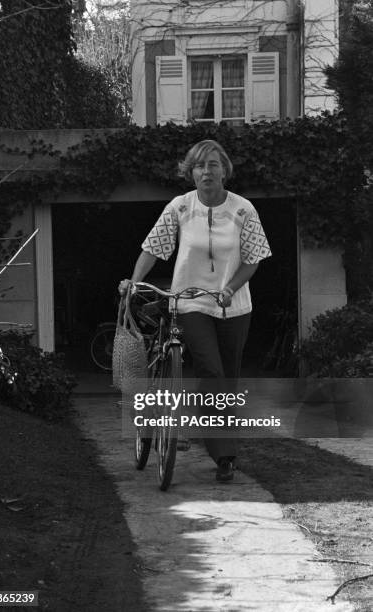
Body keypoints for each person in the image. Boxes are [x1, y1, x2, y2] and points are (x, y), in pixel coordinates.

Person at [119, 139, 271, 482]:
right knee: (212, 371)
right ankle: (219, 448)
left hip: (235, 306)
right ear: (191, 172)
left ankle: (225, 458)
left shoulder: (243, 209)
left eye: (213, 165)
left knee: (226, 379)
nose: (207, 171)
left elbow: (254, 259)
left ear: (225, 170)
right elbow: (154, 248)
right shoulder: (180, 207)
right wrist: (134, 280)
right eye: (200, 166)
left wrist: (230, 288)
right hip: (189, 302)